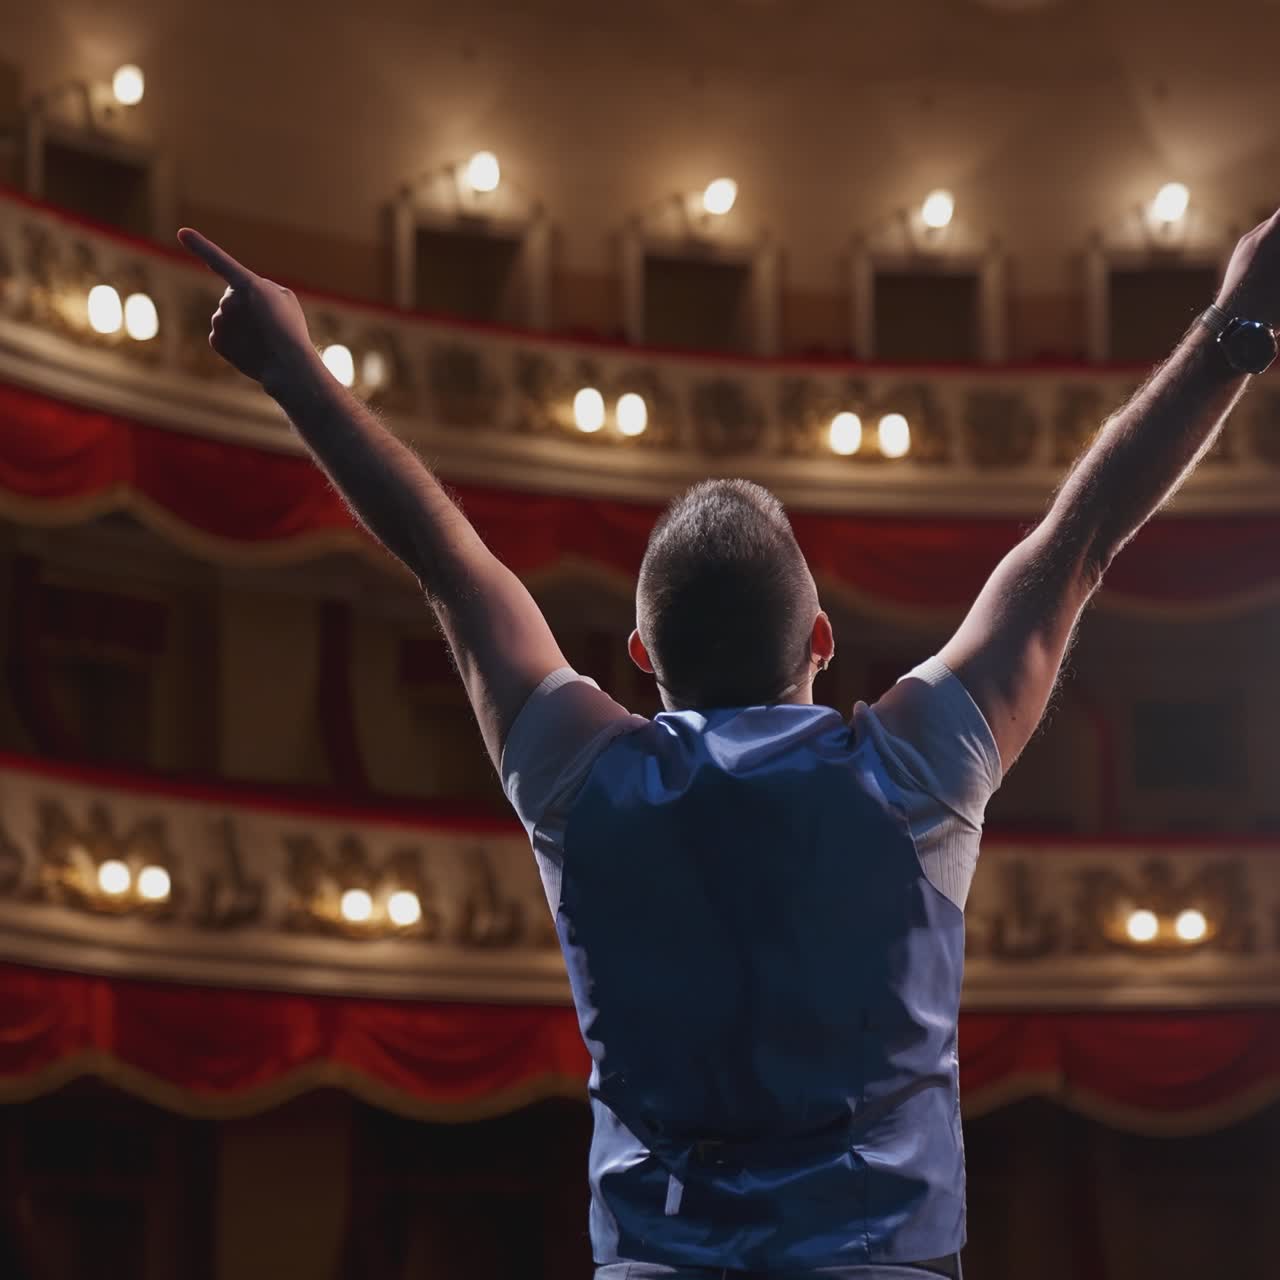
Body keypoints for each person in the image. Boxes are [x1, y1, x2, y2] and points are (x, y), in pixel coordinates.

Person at [179, 207, 1278, 1278]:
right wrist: (1233, 326)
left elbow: (439, 553)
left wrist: (295, 375)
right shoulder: (910, 771)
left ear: (640, 658)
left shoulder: (580, 772)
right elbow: (1079, 539)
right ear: (819, 637)